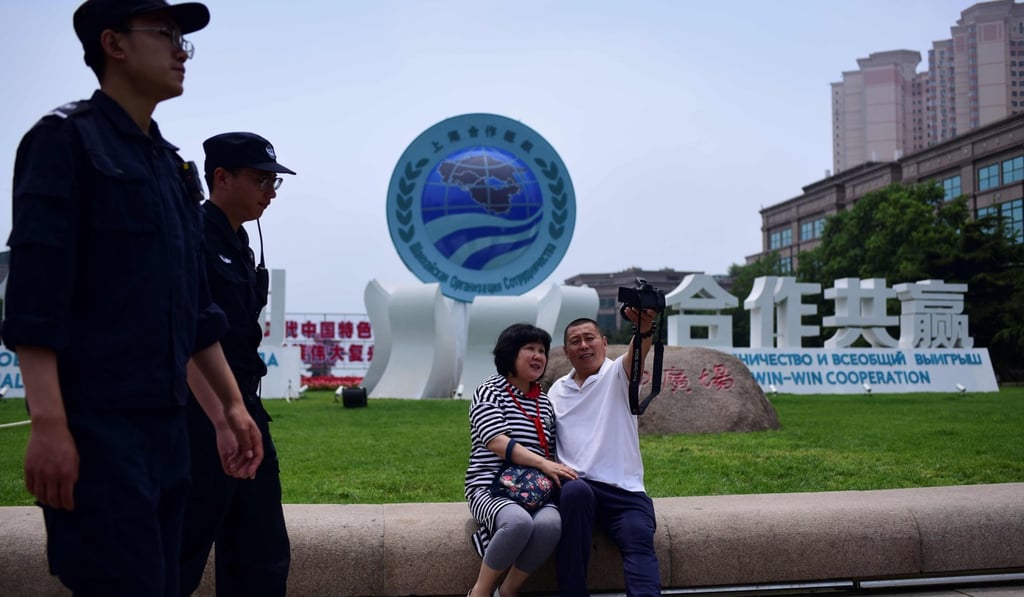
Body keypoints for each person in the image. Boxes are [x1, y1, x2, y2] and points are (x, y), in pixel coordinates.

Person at [1, 1, 263, 594]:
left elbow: (195, 311)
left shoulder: (171, 168)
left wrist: (230, 410)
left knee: (164, 582)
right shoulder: (64, 141)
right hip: (97, 431)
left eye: (183, 38)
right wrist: (47, 425)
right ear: (113, 44)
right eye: (166, 34)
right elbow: (35, 299)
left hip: (169, 431)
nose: (181, 49)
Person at [178, 132, 296, 596]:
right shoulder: (189, 237)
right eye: (262, 179)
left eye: (274, 182)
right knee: (182, 546)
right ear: (221, 178)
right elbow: (186, 333)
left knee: (261, 550)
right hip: (197, 416)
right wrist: (222, 412)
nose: (270, 191)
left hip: (245, 407)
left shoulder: (242, 243)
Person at [547, 310, 661, 597]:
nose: (584, 346)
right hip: (577, 488)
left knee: (640, 541)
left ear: (604, 342)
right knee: (575, 493)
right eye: (576, 341)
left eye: (590, 339)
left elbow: (639, 352)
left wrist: (644, 326)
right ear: (566, 351)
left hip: (624, 493)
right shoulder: (556, 391)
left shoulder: (618, 374)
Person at [464, 323, 578, 597]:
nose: (538, 356)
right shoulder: (489, 391)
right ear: (510, 354)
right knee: (518, 522)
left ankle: (509, 590)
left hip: (535, 491)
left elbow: (551, 449)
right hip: (490, 487)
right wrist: (541, 463)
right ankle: (480, 591)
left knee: (551, 525)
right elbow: (496, 441)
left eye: (542, 350)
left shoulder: (544, 401)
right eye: (530, 349)